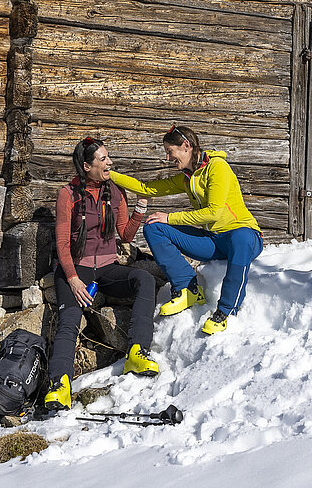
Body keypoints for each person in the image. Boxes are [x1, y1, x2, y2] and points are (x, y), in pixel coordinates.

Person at [109, 125, 263, 335]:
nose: (167, 157)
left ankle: (226, 310)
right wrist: (108, 173)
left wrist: (170, 217)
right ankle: (187, 288)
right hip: (213, 241)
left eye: (170, 151)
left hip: (245, 238)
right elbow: (146, 188)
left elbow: (214, 213)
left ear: (186, 146)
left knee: (241, 237)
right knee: (154, 227)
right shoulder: (187, 178)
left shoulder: (217, 168)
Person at [44, 137, 158, 412]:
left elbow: (125, 235)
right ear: (87, 166)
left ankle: (137, 352)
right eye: (103, 159)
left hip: (108, 267)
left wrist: (140, 209)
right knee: (69, 320)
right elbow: (62, 242)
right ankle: (59, 385)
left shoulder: (116, 192)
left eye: (109, 157)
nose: (110, 162)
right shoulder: (68, 194)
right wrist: (72, 279)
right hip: (76, 269)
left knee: (145, 279)